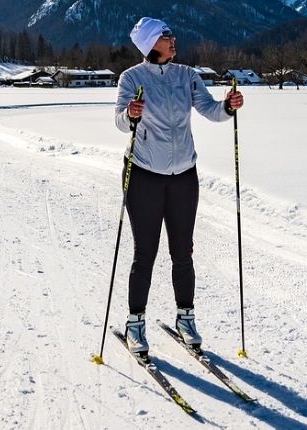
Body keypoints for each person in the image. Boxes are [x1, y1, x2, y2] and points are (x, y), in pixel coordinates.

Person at [114, 17, 244, 355]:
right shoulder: (132, 78)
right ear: (150, 44)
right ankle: (135, 323)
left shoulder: (187, 76)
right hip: (144, 174)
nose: (173, 40)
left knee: (183, 251)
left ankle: (186, 317)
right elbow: (119, 120)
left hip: (184, 176)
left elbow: (210, 111)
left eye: (171, 35)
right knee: (145, 253)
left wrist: (227, 108)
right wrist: (131, 112)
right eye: (165, 36)